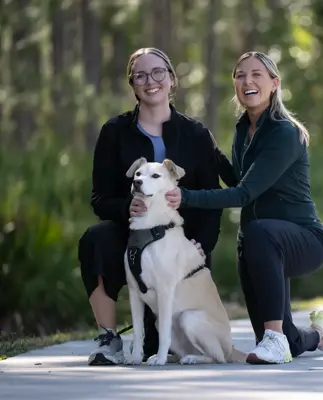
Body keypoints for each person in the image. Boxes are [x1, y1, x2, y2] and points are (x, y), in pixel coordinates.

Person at [164, 51, 323, 364]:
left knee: (258, 236)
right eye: (240, 75)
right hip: (259, 243)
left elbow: (243, 193)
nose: (247, 81)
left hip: (303, 240)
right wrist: (211, 149)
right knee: (284, 339)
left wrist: (186, 197)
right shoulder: (243, 129)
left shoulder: (284, 133)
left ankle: (275, 338)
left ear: (275, 83)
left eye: (256, 74)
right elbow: (241, 179)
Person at [78, 47, 223, 366]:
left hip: (181, 248)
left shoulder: (196, 134)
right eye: (140, 75)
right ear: (132, 84)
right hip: (133, 240)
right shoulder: (114, 132)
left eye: (158, 72)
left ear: (172, 80)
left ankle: (166, 338)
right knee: (94, 240)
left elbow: (212, 199)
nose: (150, 80)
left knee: (163, 345)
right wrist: (126, 207)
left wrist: (202, 245)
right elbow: (100, 199)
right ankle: (109, 339)